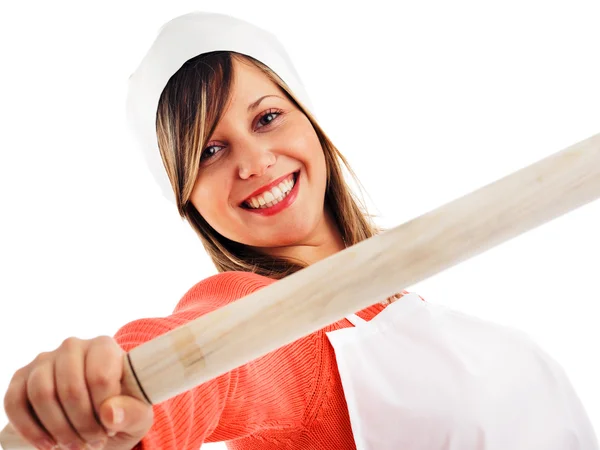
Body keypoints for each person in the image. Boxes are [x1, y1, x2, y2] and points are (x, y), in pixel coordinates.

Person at [2, 11, 598, 450]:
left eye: (267, 117)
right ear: (188, 202)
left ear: (311, 125)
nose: (254, 161)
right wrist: (106, 394)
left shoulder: (410, 314)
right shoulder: (266, 320)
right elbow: (198, 369)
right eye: (210, 151)